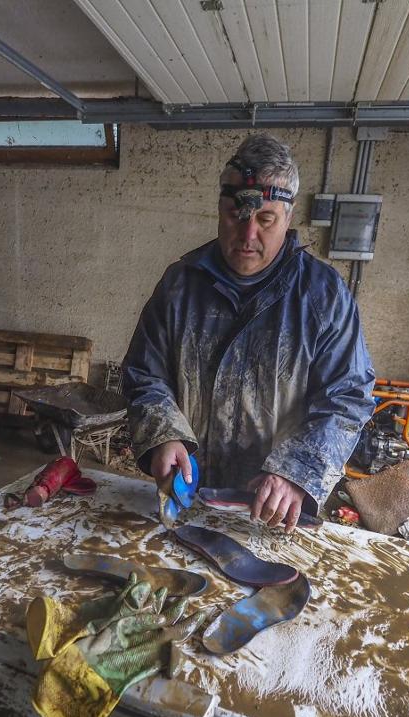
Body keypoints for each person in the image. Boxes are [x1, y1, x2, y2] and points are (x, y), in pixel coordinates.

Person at [121, 133, 376, 532]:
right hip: (187, 498)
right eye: (235, 216)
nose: (247, 234)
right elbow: (144, 374)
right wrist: (164, 435)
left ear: (288, 218)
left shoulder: (323, 297)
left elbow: (348, 399)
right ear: (220, 209)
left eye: (265, 219)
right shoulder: (179, 286)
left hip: (276, 512)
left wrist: (297, 471)